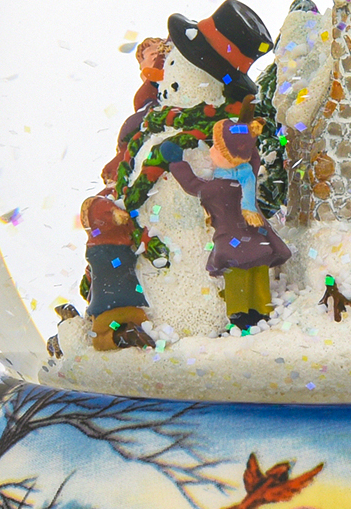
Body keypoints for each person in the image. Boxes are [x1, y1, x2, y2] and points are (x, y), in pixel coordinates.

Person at [160, 120, 289, 331]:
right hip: (256, 236)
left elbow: (192, 185)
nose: (211, 151)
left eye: (217, 149)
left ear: (229, 158)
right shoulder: (247, 175)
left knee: (236, 274)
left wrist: (176, 162)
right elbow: (254, 159)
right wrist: (248, 139)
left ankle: (239, 315)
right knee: (258, 269)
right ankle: (262, 308)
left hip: (231, 240)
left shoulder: (215, 187)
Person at [79, 156, 153, 350]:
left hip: (112, 261)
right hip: (116, 258)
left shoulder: (110, 198)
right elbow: (100, 209)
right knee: (113, 312)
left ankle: (126, 334)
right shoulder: (108, 199)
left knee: (101, 328)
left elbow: (101, 210)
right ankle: (128, 334)